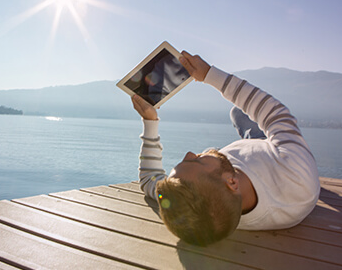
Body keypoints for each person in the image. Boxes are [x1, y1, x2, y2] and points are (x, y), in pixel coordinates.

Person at [131, 51, 320, 246]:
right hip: (272, 154)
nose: (189, 153)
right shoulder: (294, 170)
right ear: (232, 182)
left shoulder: (205, 211)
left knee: (238, 114)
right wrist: (210, 75)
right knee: (239, 112)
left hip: (251, 161)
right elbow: (276, 114)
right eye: (197, 160)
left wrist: (150, 120)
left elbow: (149, 180)